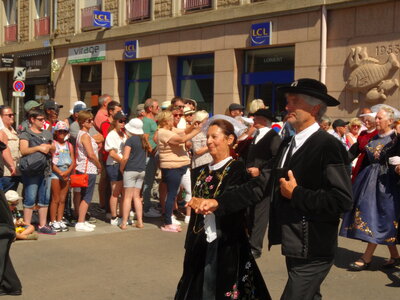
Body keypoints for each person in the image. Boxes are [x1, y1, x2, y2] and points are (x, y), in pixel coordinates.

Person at [189, 78, 353, 300]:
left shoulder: (328, 145)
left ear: (314, 108)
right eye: (288, 101)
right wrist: (219, 202)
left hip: (315, 247)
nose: (287, 107)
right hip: (294, 244)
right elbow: (259, 186)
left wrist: (297, 194)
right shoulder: (288, 144)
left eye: (294, 101)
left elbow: (341, 199)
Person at [175, 117, 271, 300]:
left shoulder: (236, 168)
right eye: (207, 137)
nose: (209, 141)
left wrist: (210, 203)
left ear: (229, 139)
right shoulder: (201, 171)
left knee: (221, 286)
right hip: (198, 240)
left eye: (214, 137)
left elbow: (235, 201)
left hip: (225, 241)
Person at [340, 106, 400, 270]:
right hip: (368, 182)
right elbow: (355, 155)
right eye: (377, 117)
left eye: (380, 118)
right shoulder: (373, 138)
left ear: (390, 120)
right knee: (373, 215)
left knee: (379, 217)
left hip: (387, 184)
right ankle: (395, 256)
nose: (376, 120)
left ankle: (366, 258)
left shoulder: (396, 139)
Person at [245, 108, 282, 259]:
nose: (253, 120)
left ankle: (255, 247)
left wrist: (260, 170)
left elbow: (276, 159)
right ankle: (248, 240)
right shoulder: (256, 135)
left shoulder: (273, 137)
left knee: (260, 215)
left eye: (256, 118)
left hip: (264, 182)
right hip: (251, 180)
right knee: (249, 211)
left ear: (263, 120)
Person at [157, 111, 202, 232]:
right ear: (166, 120)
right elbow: (180, 139)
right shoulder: (163, 132)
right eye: (172, 118)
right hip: (172, 167)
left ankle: (169, 220)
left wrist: (193, 126)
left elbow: (183, 132)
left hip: (180, 166)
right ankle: (167, 222)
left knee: (176, 193)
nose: (174, 120)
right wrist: (196, 131)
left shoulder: (171, 129)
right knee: (171, 194)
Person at [19, 109, 56, 235]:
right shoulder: (26, 133)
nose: (43, 122)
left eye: (44, 119)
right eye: (40, 119)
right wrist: (39, 148)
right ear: (32, 119)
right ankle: (27, 225)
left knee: (44, 199)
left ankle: (42, 225)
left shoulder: (47, 133)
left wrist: (49, 147)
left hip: (45, 170)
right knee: (30, 198)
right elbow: (23, 150)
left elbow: (54, 147)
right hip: (31, 170)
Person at [120, 118, 151, 230]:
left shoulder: (130, 140)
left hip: (130, 170)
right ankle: (140, 222)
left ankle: (124, 223)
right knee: (137, 197)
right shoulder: (143, 139)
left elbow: (125, 157)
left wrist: (121, 168)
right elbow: (146, 155)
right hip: (141, 170)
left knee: (127, 197)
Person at [75, 110, 102, 232]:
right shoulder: (85, 135)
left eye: (91, 120)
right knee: (87, 196)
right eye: (88, 120)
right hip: (87, 168)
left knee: (84, 194)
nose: (91, 122)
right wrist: (99, 165)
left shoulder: (82, 134)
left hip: (82, 167)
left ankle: (82, 220)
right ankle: (80, 221)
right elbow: (90, 154)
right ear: (82, 122)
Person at [49, 121, 74, 233]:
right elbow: (51, 162)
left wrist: (67, 171)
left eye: (64, 131)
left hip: (66, 172)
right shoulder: (53, 144)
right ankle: (53, 220)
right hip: (56, 173)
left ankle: (59, 219)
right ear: (56, 132)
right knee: (55, 198)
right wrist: (60, 172)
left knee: (63, 199)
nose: (62, 133)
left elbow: (73, 160)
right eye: (60, 131)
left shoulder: (69, 145)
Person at [105, 111, 128, 225]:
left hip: (122, 164)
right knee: (115, 192)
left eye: (124, 121)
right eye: (120, 121)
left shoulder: (123, 134)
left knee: (124, 192)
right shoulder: (111, 135)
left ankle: (122, 215)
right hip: (114, 164)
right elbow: (112, 153)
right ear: (115, 122)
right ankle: (114, 217)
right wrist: (123, 161)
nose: (123, 123)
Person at [142, 98, 162, 218]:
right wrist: (151, 151)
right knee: (147, 183)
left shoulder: (152, 121)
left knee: (150, 182)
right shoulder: (147, 122)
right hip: (149, 156)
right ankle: (146, 208)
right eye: (156, 107)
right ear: (150, 108)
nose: (158, 109)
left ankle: (147, 205)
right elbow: (144, 138)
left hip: (153, 155)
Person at [0, 188, 22, 295]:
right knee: (3, 257)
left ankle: (12, 286)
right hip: (4, 226)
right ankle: (11, 285)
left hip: (3, 226)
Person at [0, 106, 20, 192]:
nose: (12, 116)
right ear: (1, 117)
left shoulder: (13, 130)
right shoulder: (1, 132)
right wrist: (12, 166)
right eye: (9, 115)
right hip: (6, 172)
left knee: (12, 199)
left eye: (13, 114)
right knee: (6, 198)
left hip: (15, 171)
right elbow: (4, 149)